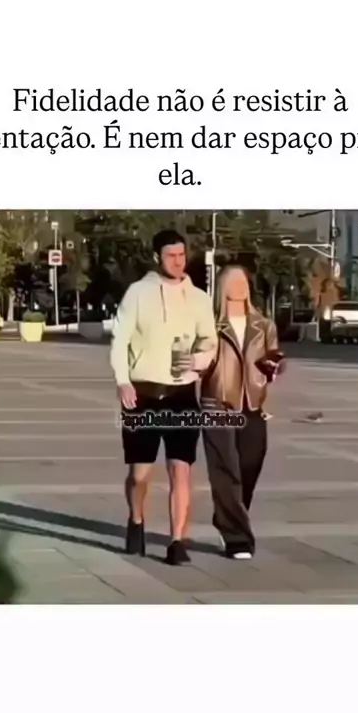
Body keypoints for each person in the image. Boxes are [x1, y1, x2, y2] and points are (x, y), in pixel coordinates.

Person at [110, 230, 217, 565]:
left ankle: (177, 541)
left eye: (182, 255)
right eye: (171, 255)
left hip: (182, 394)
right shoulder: (137, 293)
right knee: (139, 475)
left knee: (180, 470)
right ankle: (136, 519)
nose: (178, 261)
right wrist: (123, 381)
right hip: (142, 394)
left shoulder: (199, 298)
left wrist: (198, 361)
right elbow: (119, 340)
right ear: (157, 257)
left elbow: (209, 342)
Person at [200, 266, 284, 560]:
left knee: (250, 463)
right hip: (217, 404)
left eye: (244, 281)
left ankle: (229, 515)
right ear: (223, 287)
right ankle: (237, 538)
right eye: (234, 281)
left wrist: (274, 366)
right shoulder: (209, 325)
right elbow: (197, 358)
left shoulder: (264, 325)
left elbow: (273, 354)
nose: (241, 286)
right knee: (225, 469)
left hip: (253, 405)